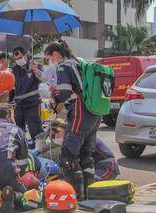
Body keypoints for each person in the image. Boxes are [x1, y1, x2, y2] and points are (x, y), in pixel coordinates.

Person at [44, 42, 101, 200]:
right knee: (86, 155)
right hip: (94, 113)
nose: (50, 61)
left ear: (56, 54)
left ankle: (76, 198)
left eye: (49, 57)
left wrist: (54, 96)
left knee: (68, 156)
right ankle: (89, 196)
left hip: (79, 113)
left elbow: (64, 93)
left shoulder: (64, 66)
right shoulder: (79, 63)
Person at [37, 119, 120, 181]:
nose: (55, 137)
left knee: (90, 185)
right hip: (94, 166)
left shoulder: (75, 137)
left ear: (62, 127)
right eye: (52, 137)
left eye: (55, 132)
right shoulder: (68, 140)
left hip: (107, 166)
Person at [11, 47, 45, 145]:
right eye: (16, 59)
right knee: (18, 130)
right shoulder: (14, 68)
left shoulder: (34, 65)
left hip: (32, 103)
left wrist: (35, 70)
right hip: (18, 104)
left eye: (20, 58)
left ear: (25, 55)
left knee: (35, 129)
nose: (18, 60)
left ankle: (39, 151)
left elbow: (44, 79)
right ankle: (20, 151)